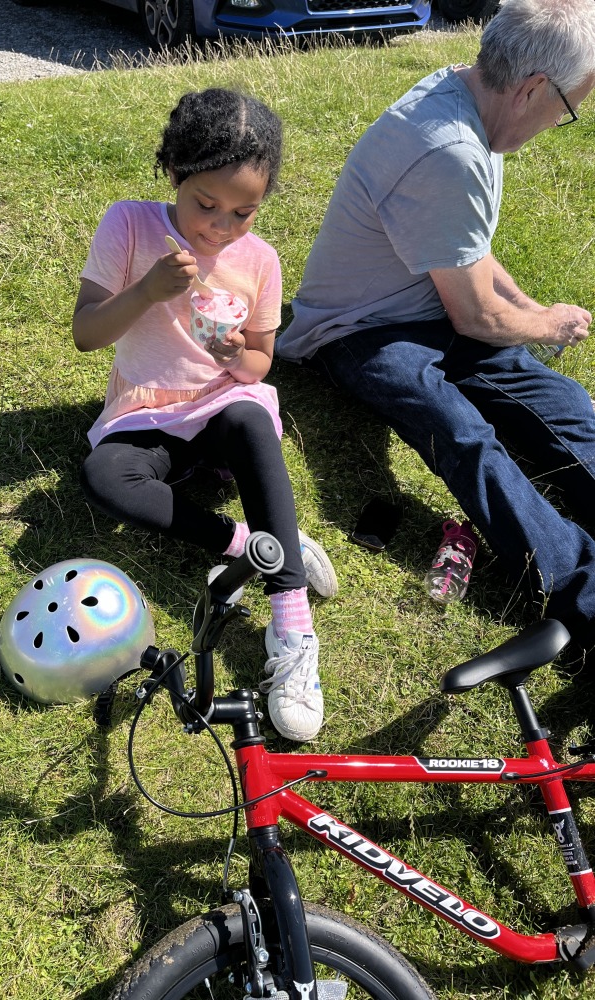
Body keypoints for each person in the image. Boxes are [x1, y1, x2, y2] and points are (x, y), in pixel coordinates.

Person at [276, 0, 595, 663]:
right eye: (568, 110)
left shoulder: (472, 96)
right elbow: (475, 317)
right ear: (534, 87)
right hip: (359, 332)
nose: (559, 124)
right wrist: (546, 322)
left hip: (427, 307)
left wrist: (528, 307)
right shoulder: (448, 148)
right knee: (462, 431)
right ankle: (578, 583)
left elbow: (464, 248)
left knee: (563, 408)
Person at [73, 88, 337, 742]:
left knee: (250, 417)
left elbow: (258, 367)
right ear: (175, 175)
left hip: (220, 406)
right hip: (147, 412)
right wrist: (147, 290)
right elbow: (86, 333)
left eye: (244, 213)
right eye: (206, 206)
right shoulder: (130, 225)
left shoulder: (261, 261)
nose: (220, 228)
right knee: (104, 478)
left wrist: (233, 350)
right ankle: (257, 545)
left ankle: (292, 622)